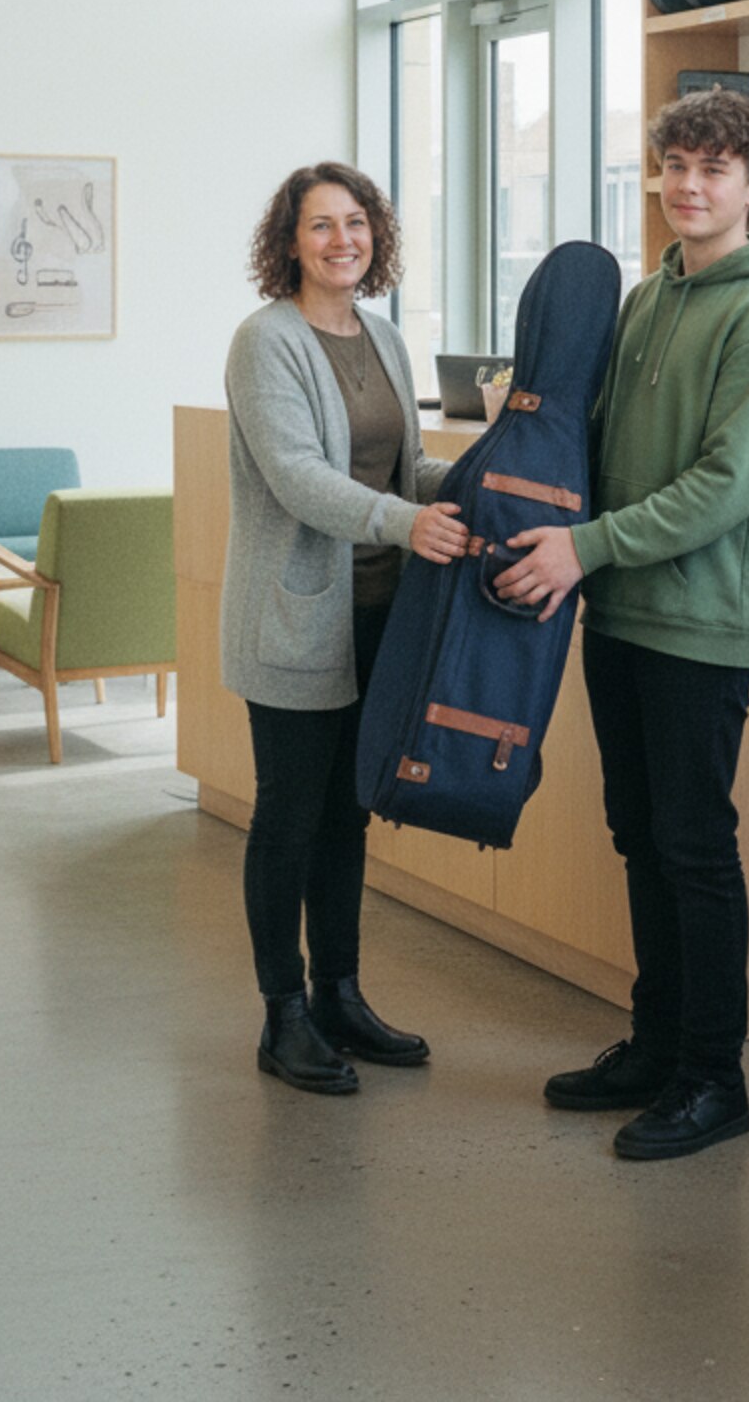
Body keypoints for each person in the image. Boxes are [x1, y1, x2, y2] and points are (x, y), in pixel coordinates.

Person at [495, 89, 749, 1159]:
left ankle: (711, 1077)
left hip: (699, 620)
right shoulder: (649, 296)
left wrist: (580, 547)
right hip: (624, 610)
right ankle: (655, 1042)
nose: (688, 184)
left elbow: (723, 485)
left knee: (690, 844)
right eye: (674, 164)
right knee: (637, 831)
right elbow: (606, 440)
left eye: (713, 169)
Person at [222, 161, 468, 1095]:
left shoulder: (383, 337)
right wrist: (409, 522)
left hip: (379, 617)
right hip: (292, 619)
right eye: (320, 226)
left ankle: (341, 995)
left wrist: (484, 478)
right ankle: (282, 1016)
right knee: (288, 816)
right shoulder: (266, 342)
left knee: (348, 812)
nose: (341, 242)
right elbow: (298, 475)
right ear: (289, 241)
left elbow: (401, 467)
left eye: (356, 223)